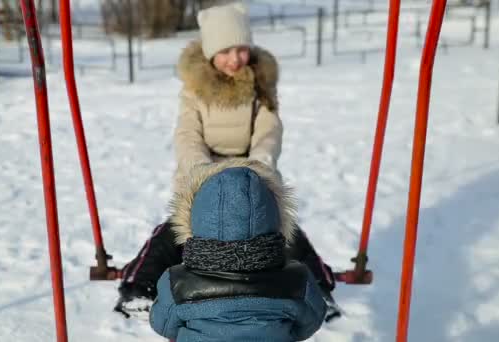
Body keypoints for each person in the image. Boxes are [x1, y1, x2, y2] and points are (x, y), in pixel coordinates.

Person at [115, 2, 336, 318]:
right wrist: (200, 169)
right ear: (210, 53)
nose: (235, 59)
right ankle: (138, 287)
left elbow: (268, 131)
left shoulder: (260, 86)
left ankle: (320, 291)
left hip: (252, 172)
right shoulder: (195, 90)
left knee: (286, 232)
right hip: (203, 174)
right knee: (172, 232)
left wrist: (259, 163)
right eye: (226, 51)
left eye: (241, 49)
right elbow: (187, 134)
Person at [150, 161, 327, 341]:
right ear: (277, 219)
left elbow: (162, 324)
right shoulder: (297, 281)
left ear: (191, 219)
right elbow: (310, 322)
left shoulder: (178, 283)